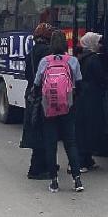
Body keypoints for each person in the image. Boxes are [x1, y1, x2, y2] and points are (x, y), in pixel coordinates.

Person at [34, 30, 84, 193]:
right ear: (65, 44)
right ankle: (77, 180)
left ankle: (54, 181)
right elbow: (79, 85)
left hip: (48, 108)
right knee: (70, 143)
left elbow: (37, 85)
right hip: (68, 107)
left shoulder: (44, 61)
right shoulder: (73, 61)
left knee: (51, 144)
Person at [22, 23, 54, 180]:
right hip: (44, 96)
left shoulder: (31, 53)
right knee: (45, 132)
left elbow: (27, 75)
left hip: (32, 95)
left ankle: (46, 165)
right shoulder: (48, 53)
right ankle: (36, 169)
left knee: (37, 131)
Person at [76, 32, 108, 171]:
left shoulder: (80, 57)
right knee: (90, 129)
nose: (100, 45)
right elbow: (100, 77)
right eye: (98, 42)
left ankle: (87, 160)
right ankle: (83, 161)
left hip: (81, 97)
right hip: (91, 98)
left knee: (83, 130)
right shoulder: (94, 59)